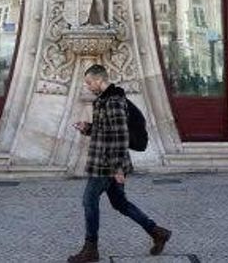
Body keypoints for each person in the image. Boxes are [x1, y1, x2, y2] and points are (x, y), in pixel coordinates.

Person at [68, 64, 170, 263]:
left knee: (89, 201)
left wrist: (117, 169)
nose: (88, 86)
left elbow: (120, 137)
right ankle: (157, 232)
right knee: (120, 203)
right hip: (107, 161)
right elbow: (107, 130)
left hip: (106, 165)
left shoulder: (113, 101)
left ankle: (91, 249)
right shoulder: (105, 100)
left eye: (89, 82)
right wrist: (88, 128)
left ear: (99, 79)